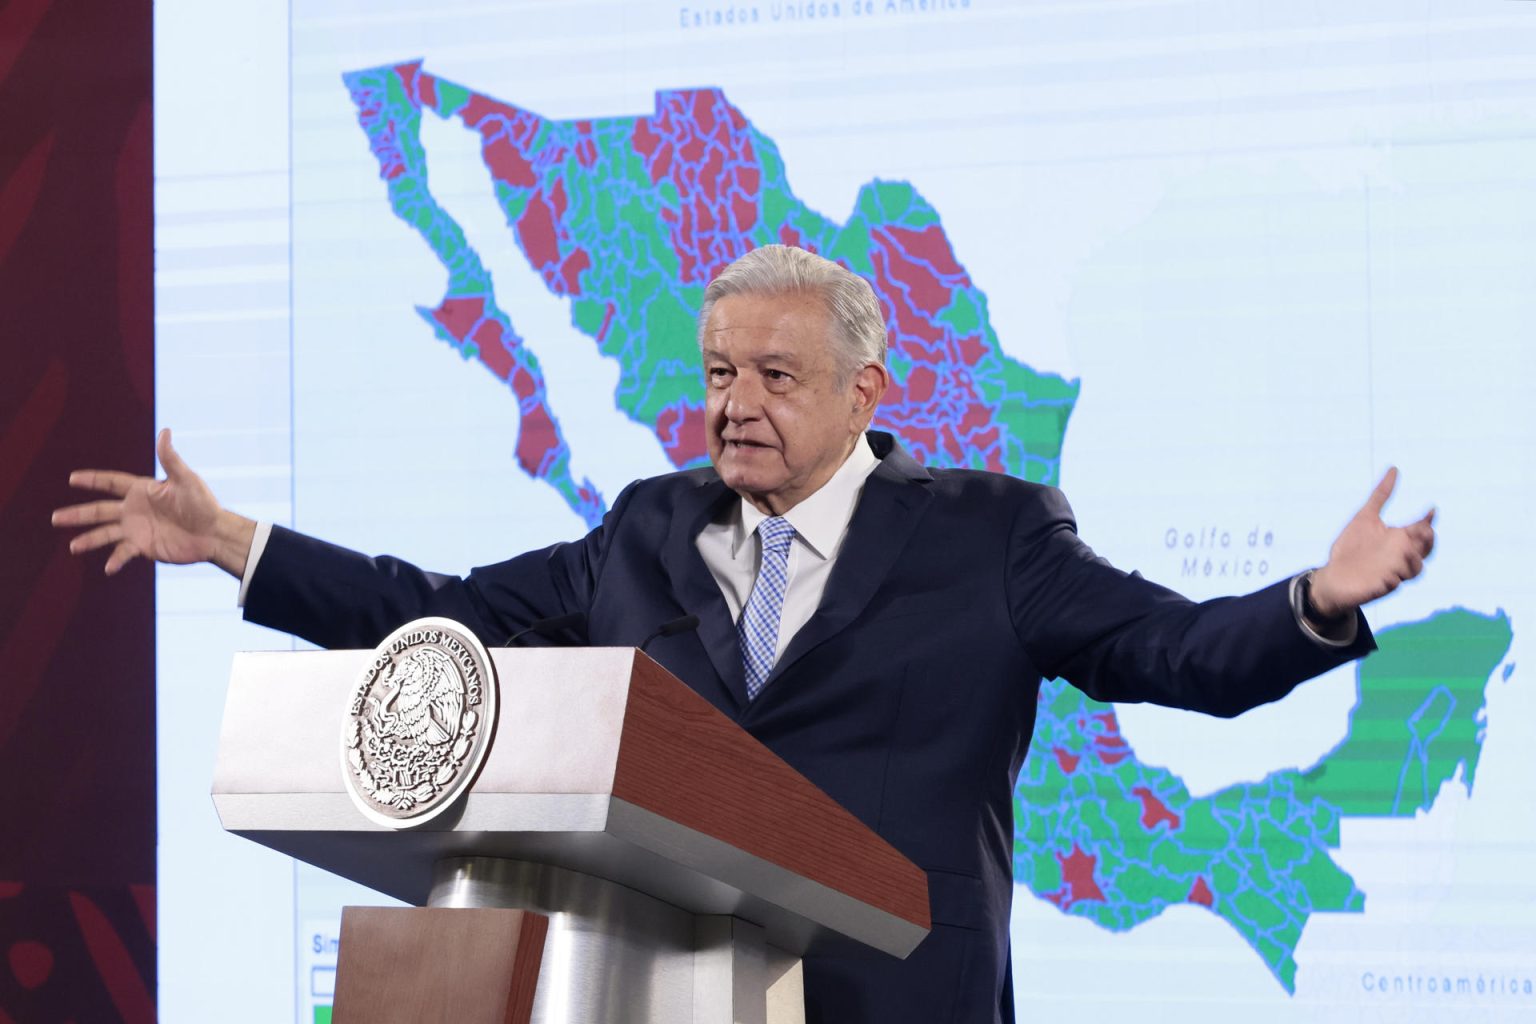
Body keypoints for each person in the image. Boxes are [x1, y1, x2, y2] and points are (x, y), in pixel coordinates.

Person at [54, 245, 1435, 1023]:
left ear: (863, 391)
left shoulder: (989, 535)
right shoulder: (647, 529)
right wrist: (240, 544)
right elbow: (456, 619)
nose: (736, 405)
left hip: (897, 1003)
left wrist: (1319, 599)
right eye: (720, 374)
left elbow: (1174, 653)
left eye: (776, 375)